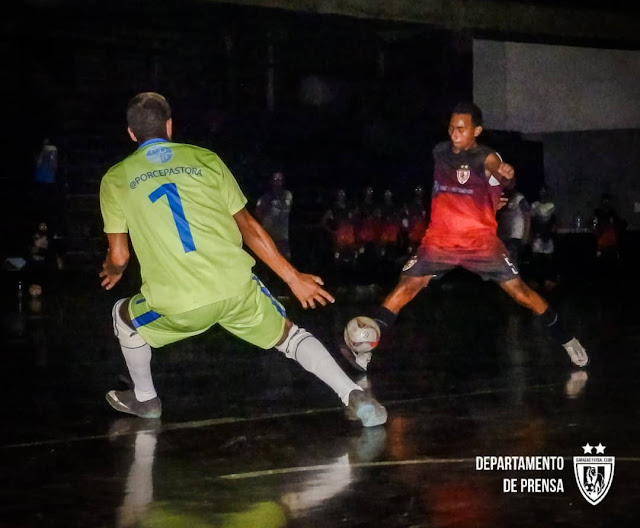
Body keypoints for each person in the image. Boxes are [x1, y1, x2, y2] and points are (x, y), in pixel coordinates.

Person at [99, 92, 386, 427]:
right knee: (289, 336)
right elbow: (248, 226)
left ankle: (146, 400)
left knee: (123, 316)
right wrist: (293, 277)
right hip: (235, 287)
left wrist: (111, 269)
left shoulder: (116, 179)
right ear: (170, 126)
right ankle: (354, 395)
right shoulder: (205, 159)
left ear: (131, 134)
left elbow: (119, 255)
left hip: (179, 300)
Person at [342, 102, 588, 372]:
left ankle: (567, 340)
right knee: (405, 287)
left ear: (477, 130)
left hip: (480, 244)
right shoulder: (440, 152)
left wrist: (505, 174)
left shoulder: (486, 157)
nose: (454, 133)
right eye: (451, 127)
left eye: (461, 128)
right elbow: (465, 187)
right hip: (439, 242)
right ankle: (364, 349)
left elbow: (498, 172)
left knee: (521, 293)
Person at [255, 171, 293, 260]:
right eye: (276, 179)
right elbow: (258, 214)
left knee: (286, 261)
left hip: (283, 236)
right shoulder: (265, 198)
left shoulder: (287, 195)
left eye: (280, 179)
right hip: (268, 236)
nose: (278, 182)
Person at [496, 187, 531, 266]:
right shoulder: (501, 197)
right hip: (503, 235)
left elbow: (527, 217)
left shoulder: (519, 199)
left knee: (511, 262)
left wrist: (526, 235)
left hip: (515, 236)